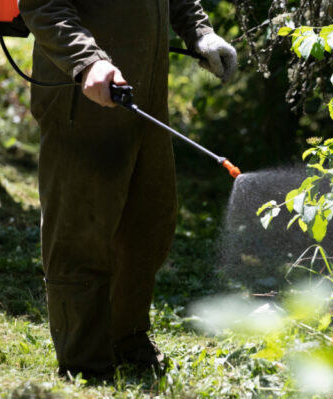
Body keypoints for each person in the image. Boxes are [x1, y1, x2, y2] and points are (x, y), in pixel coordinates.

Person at [18, 0, 237, 378]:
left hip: (144, 99)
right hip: (82, 95)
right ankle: (84, 362)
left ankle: (127, 339)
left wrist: (200, 32)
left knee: (148, 223)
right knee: (80, 229)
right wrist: (88, 61)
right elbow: (42, 4)